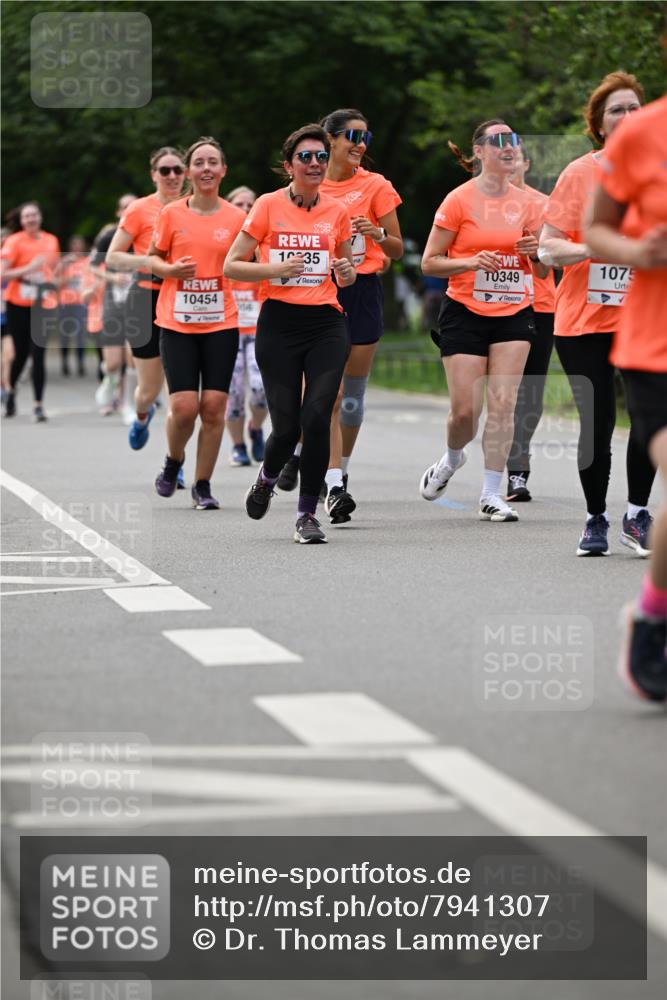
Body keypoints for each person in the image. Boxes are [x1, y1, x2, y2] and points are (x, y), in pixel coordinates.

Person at [539, 71, 655, 556]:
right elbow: (547, 249)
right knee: (598, 422)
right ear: (599, 124)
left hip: (645, 319)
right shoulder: (580, 174)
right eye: (616, 110)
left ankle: (636, 514)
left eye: (634, 107)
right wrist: (598, 245)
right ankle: (595, 519)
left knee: (650, 421)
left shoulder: (659, 169)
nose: (627, 117)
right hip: (584, 320)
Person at [224, 123, 356, 544]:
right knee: (285, 428)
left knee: (317, 415)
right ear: (289, 166)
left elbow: (346, 271)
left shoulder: (336, 212)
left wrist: (347, 271)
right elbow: (232, 265)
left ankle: (306, 515)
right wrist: (273, 271)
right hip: (279, 324)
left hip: (326, 324)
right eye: (306, 157)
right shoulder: (265, 206)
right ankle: (266, 477)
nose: (315, 163)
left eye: (321, 156)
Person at [420, 120, 548, 522]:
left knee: (504, 403)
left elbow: (543, 274)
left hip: (515, 311)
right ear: (478, 152)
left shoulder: (532, 204)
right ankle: (452, 458)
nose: (508, 147)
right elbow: (430, 262)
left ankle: (492, 493)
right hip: (465, 311)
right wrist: (471, 261)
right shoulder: (459, 200)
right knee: (464, 412)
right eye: (498, 142)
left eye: (513, 141)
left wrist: (536, 254)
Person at [585, 94, 667, 701]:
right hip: (656, 346)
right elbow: (594, 231)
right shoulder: (641, 134)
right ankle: (654, 614)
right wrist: (640, 252)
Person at [314, 108, 404, 523]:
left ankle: (339, 469)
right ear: (329, 139)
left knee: (350, 399)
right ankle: (332, 481)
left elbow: (398, 250)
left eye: (366, 137)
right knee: (325, 395)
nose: (359, 144)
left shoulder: (376, 185)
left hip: (364, 293)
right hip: (319, 290)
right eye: (351, 135)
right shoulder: (309, 182)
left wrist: (378, 235)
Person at [147, 136, 245, 509]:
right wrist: (170, 269)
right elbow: (152, 258)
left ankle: (203, 485)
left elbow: (251, 261)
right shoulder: (172, 213)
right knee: (185, 407)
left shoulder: (237, 218)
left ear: (223, 170)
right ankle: (174, 461)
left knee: (214, 407)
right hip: (177, 322)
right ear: (189, 171)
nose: (206, 168)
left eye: (213, 162)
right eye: (199, 162)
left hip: (221, 321)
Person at [106, 147, 186, 451]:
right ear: (154, 175)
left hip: (183, 300)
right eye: (165, 170)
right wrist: (150, 263)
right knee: (149, 389)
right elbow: (113, 257)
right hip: (144, 300)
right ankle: (142, 414)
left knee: (179, 394)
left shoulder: (194, 207)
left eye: (178, 169)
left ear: (186, 173)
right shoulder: (139, 209)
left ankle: (175, 459)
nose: (172, 176)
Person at [506, 143, 556, 501]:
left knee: (531, 396)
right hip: (498, 308)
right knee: (504, 393)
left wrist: (537, 252)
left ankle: (518, 469)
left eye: (515, 157)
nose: (509, 163)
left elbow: (552, 261)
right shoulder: (481, 202)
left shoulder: (545, 205)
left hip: (540, 305)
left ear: (527, 162)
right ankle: (506, 470)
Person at [1, 202, 60, 421]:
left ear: (40, 217)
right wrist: (29, 268)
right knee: (20, 355)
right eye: (26, 216)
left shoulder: (51, 240)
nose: (31, 219)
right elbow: (2, 275)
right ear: (21, 220)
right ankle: (11, 391)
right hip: (17, 303)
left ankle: (38, 405)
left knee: (39, 353)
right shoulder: (13, 241)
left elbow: (53, 271)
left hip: (42, 303)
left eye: (34, 215)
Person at [224, 185, 268, 467]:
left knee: (261, 388)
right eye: (239, 203)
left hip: (258, 328)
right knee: (234, 391)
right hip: (228, 328)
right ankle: (238, 445)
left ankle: (256, 427)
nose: (245, 208)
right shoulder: (222, 244)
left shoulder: (264, 241)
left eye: (250, 204)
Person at [89, 193, 137, 414]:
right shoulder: (109, 237)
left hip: (137, 304)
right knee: (113, 363)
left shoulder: (145, 235)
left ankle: (127, 403)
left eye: (133, 206)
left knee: (133, 359)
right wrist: (113, 278)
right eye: (125, 207)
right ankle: (109, 379)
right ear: (119, 212)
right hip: (113, 304)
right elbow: (92, 267)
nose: (129, 210)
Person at [57, 235, 89, 376]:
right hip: (65, 303)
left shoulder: (87, 262)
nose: (77, 248)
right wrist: (64, 268)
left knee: (81, 335)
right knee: (65, 335)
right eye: (74, 245)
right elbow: (54, 283)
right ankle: (64, 361)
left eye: (79, 245)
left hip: (81, 304)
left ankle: (80, 363)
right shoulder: (65, 263)